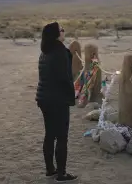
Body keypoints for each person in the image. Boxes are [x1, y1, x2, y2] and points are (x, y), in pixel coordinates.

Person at [36, 22, 78, 183]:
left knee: (50, 134)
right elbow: (64, 78)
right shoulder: (60, 52)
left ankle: (50, 169)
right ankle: (61, 174)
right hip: (57, 100)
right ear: (56, 34)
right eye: (61, 29)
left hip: (44, 98)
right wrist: (71, 95)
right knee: (61, 137)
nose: (63, 31)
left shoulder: (44, 52)